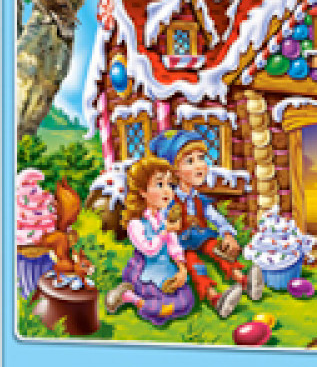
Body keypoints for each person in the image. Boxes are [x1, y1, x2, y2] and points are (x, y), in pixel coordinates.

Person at [148, 129, 244, 319]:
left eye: (201, 158)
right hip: (181, 244)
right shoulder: (169, 200)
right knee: (195, 264)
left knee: (219, 249)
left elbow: (215, 217)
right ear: (174, 171)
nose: (200, 165)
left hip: (201, 236)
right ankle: (214, 298)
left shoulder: (199, 198)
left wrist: (227, 234)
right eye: (190, 161)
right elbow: (161, 224)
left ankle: (243, 280)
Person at [105, 156, 194, 325]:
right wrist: (164, 231)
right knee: (160, 306)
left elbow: (174, 246)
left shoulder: (163, 218)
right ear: (142, 191)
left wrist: (182, 269)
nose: (167, 191)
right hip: (145, 273)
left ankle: (158, 307)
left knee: (186, 301)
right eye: (160, 184)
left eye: (170, 185)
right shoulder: (136, 224)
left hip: (166, 270)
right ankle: (130, 297)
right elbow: (150, 250)